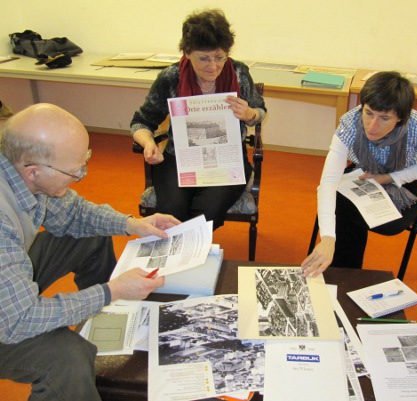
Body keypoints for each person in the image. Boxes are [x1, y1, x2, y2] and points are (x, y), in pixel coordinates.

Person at [0, 103, 181, 400]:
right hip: (9, 318)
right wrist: (112, 291)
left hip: (9, 274)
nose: (81, 175)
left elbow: (73, 213)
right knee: (66, 357)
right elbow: (20, 320)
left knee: (89, 237)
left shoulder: (20, 173)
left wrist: (132, 224)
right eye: (75, 171)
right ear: (34, 171)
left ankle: (109, 327)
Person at [131, 8, 267, 229]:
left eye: (219, 57)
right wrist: (148, 143)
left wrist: (249, 113)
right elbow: (141, 122)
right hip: (179, 157)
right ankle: (182, 248)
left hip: (227, 159)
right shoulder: (171, 77)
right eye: (203, 58)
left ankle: (193, 247)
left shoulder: (239, 73)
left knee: (207, 212)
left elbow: (260, 111)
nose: (213, 66)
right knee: (172, 211)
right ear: (187, 53)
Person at [302, 71, 417, 277]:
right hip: (362, 171)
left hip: (401, 180)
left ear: (400, 118)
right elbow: (328, 182)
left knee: (348, 213)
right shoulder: (350, 124)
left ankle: (346, 273)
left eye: (384, 118)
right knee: (342, 204)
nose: (372, 126)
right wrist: (328, 237)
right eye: (368, 113)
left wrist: (388, 178)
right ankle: (343, 274)